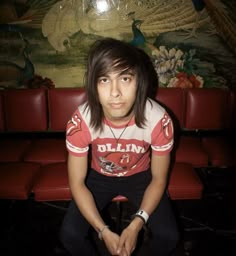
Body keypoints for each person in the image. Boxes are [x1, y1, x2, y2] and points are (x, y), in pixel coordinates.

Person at [60, 38, 179, 256]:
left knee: (168, 236)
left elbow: (159, 178)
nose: (115, 92)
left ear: (139, 81)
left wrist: (136, 224)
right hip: (99, 176)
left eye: (125, 78)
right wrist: (104, 231)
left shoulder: (158, 120)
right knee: (70, 235)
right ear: (93, 86)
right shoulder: (81, 121)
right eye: (104, 80)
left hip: (141, 175)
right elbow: (76, 183)